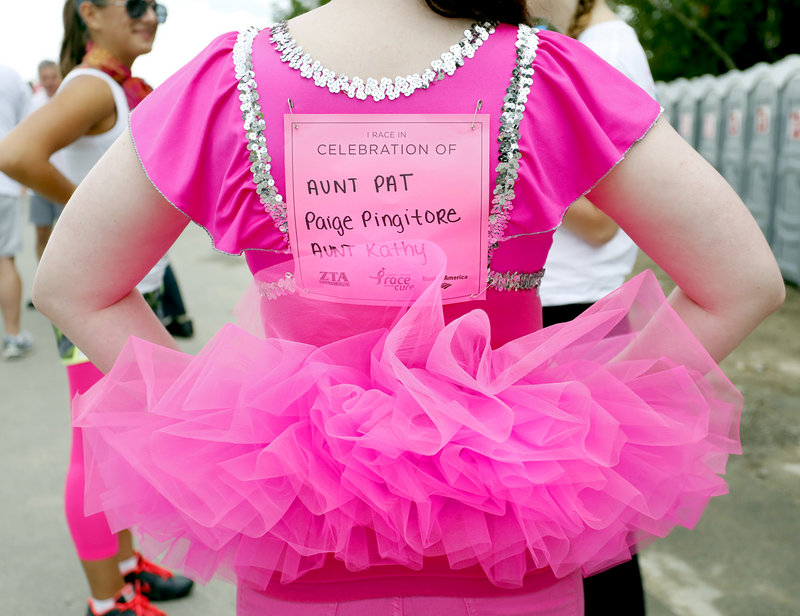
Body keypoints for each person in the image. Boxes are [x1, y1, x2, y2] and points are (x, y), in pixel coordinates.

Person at [29, 0, 785, 614]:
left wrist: (208, 422)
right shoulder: (546, 71)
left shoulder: (227, 83)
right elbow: (742, 280)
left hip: (304, 522)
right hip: (507, 523)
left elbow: (71, 283)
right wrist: (592, 424)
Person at [0, 2, 192, 615]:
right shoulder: (92, 87)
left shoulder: (117, 85)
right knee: (95, 447)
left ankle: (129, 567)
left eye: (156, 6)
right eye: (134, 5)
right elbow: (17, 153)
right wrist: (97, 213)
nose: (150, 16)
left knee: (120, 445)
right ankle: (106, 602)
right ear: (91, 12)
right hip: (96, 296)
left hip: (127, 289)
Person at [535, 1, 657, 612]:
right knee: (579, 518)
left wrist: (502, 169)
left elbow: (603, 220)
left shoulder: (604, 46)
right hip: (567, 309)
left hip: (575, 311)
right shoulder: (584, 42)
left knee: (592, 529)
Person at [0, 65, 34, 360]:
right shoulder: (10, 77)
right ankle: (13, 335)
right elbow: (29, 126)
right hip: (4, 181)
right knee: (4, 260)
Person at [28, 60, 65, 264]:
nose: (50, 82)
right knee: (42, 233)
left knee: (65, 237)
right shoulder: (34, 103)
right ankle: (42, 281)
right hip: (39, 183)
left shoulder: (68, 100)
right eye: (45, 78)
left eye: (53, 77)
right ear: (39, 80)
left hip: (64, 178)